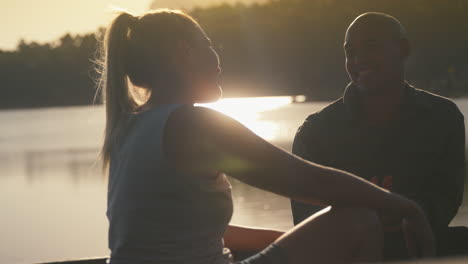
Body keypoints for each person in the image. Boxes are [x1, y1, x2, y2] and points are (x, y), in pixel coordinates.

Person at [98, 9, 434, 264]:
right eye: (209, 46)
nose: (217, 60)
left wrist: (288, 240)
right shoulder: (191, 124)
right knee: (360, 219)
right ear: (184, 54)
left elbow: (197, 234)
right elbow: (305, 180)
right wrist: (404, 206)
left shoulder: (132, 126)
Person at [290, 12, 465, 260]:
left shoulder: (444, 117)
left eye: (371, 47)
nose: (359, 59)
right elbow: (304, 214)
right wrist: (362, 218)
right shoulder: (315, 131)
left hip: (420, 243)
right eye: (350, 52)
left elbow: (448, 194)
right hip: (345, 252)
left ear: (403, 49)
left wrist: (408, 212)